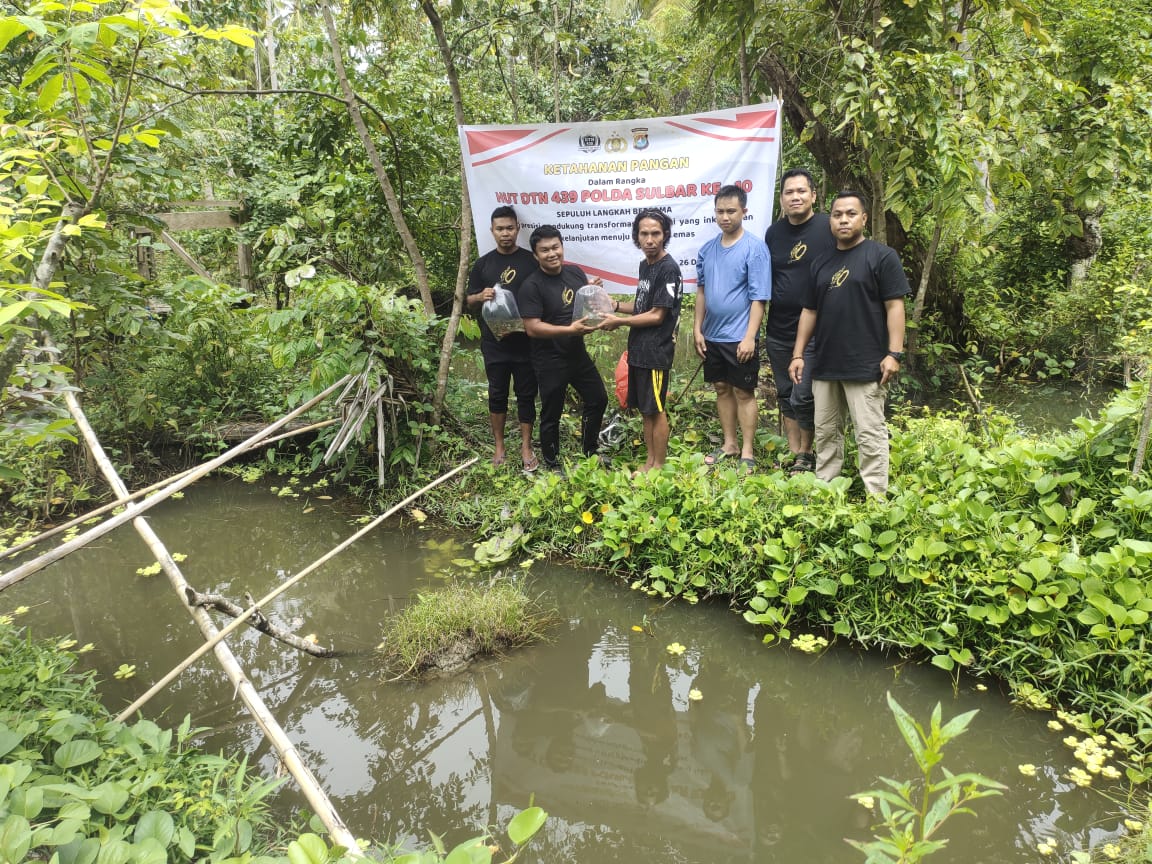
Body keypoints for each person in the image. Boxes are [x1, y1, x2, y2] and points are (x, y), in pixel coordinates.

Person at [788, 190, 909, 495]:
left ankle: (876, 495)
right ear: (830, 219)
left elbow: (895, 306)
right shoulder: (820, 262)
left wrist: (894, 353)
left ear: (864, 218)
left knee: (869, 433)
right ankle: (827, 489)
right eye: (837, 214)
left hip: (867, 363)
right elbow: (809, 310)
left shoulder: (881, 256)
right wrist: (798, 354)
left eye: (851, 214)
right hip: (825, 363)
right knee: (827, 431)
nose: (843, 220)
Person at [693, 184, 772, 472]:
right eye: (720, 211)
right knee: (721, 388)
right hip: (712, 336)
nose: (725, 217)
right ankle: (729, 443)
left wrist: (750, 337)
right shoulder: (707, 250)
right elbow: (702, 291)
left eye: (731, 211)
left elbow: (759, 297)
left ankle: (747, 451)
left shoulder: (755, 248)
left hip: (740, 337)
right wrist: (697, 329)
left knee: (743, 392)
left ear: (744, 212)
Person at [518, 225, 609, 473]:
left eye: (555, 247)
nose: (552, 253)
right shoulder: (531, 286)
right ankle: (553, 461)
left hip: (577, 354)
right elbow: (532, 328)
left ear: (562, 247)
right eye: (544, 250)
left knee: (598, 399)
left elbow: (583, 305)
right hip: (549, 359)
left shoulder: (575, 273)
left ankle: (590, 450)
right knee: (551, 413)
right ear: (536, 255)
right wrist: (570, 330)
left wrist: (593, 290)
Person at [599, 209, 684, 473]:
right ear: (637, 237)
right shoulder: (646, 265)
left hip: (656, 353)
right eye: (644, 233)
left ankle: (657, 466)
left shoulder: (668, 269)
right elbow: (641, 307)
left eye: (655, 233)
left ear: (665, 235)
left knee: (656, 410)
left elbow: (657, 316)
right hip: (639, 350)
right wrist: (613, 305)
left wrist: (618, 322)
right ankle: (649, 462)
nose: (649, 239)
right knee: (646, 410)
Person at [764, 168, 835, 475]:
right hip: (779, 328)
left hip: (816, 330)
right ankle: (795, 452)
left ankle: (807, 452)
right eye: (789, 192)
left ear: (814, 196)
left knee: (802, 394)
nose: (795, 197)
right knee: (784, 393)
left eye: (801, 191)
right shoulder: (774, 233)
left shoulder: (828, 226)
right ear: (782, 199)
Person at [466, 206, 540, 470]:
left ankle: (526, 446)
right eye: (500, 229)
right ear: (492, 231)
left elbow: (543, 294)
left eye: (510, 228)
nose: (505, 233)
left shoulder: (532, 261)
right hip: (494, 344)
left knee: (526, 394)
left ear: (517, 229)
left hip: (525, 342)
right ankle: (499, 447)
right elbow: (468, 301)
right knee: (497, 393)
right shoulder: (483, 264)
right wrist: (479, 296)